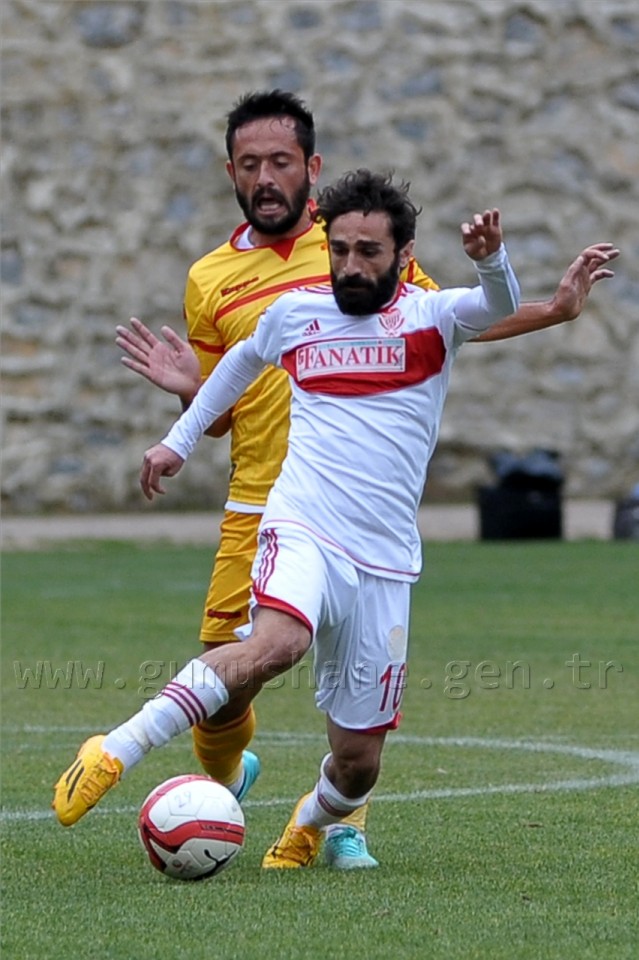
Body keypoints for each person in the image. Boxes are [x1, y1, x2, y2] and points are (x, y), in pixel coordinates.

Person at [113, 89, 618, 869]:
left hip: (370, 526)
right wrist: (186, 396)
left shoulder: (365, 251)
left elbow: (460, 315)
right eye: (250, 164)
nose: (266, 176)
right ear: (231, 174)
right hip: (266, 497)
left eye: (280, 160)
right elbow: (221, 402)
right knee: (235, 664)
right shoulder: (213, 277)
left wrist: (550, 305)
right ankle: (200, 785)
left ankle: (337, 819)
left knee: (341, 720)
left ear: (309, 167)